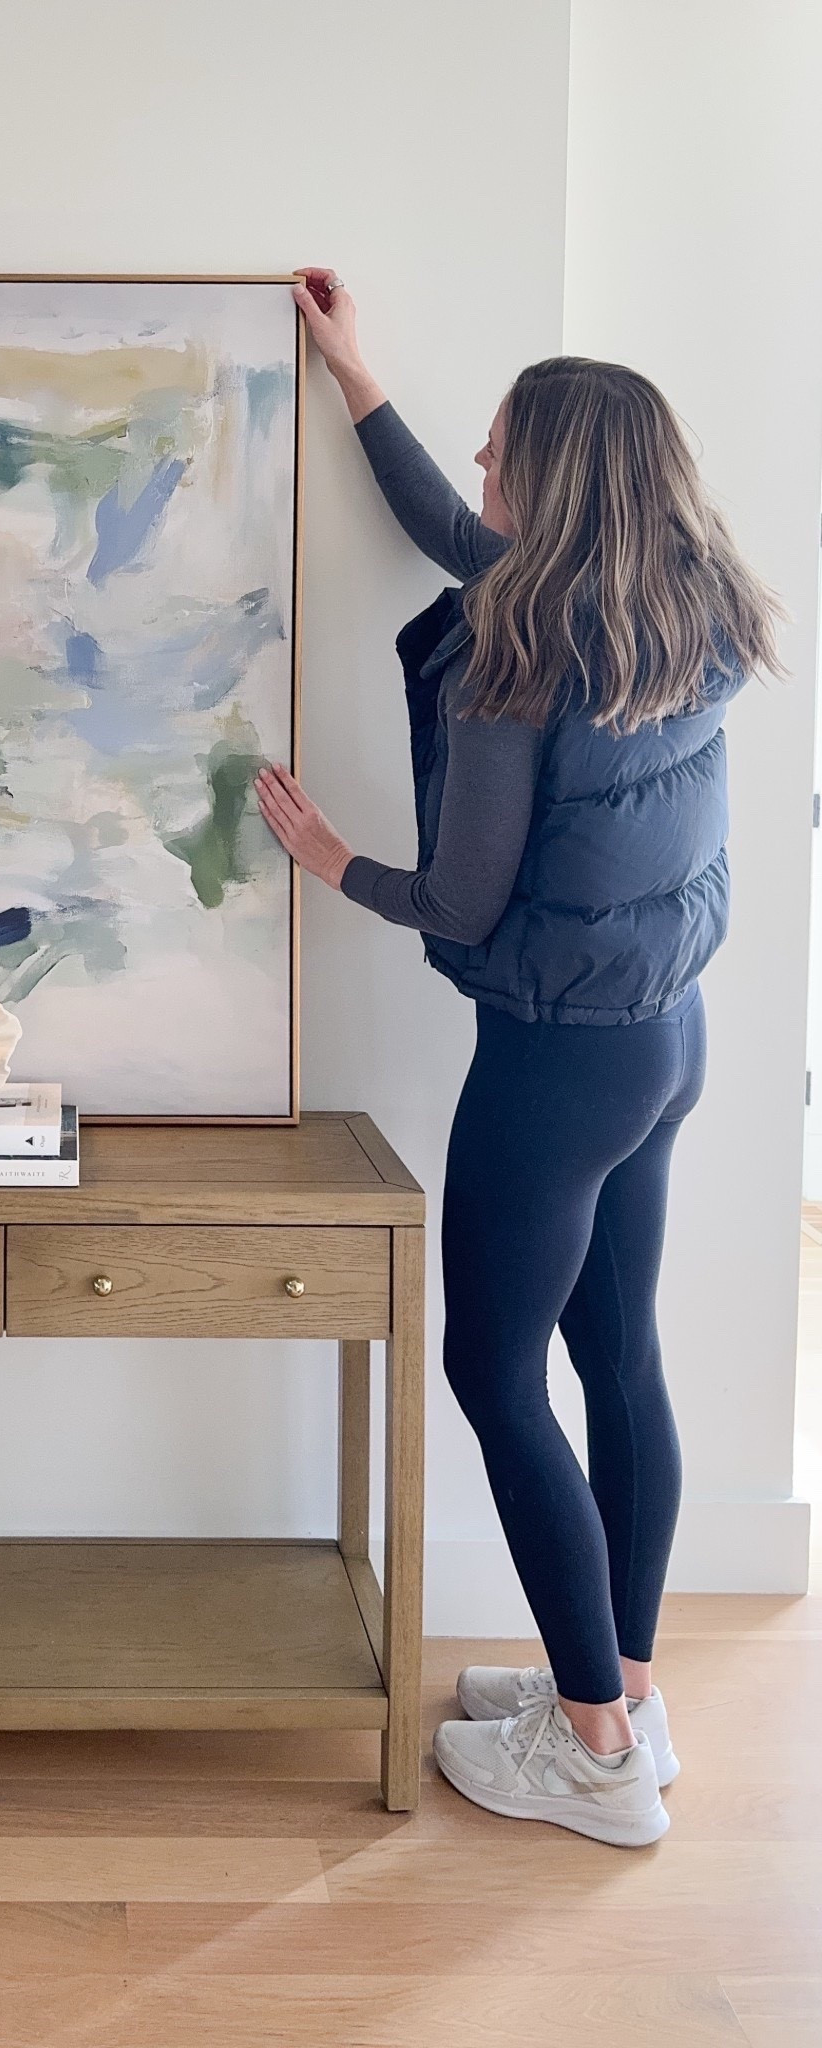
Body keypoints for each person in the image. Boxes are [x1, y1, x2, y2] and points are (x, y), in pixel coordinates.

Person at [257, 267, 782, 1848]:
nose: (479, 475)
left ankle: (599, 1758)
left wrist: (328, 855)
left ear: (552, 484)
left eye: (497, 455)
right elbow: (452, 538)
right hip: (663, 1040)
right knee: (618, 1360)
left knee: (490, 1368)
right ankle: (619, 1684)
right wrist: (358, 378)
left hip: (555, 1068)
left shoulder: (517, 655)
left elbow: (464, 898)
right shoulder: (675, 608)